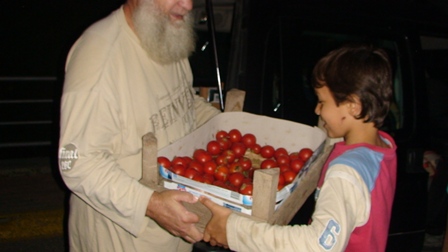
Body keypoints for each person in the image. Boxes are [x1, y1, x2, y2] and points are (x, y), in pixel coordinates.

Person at [200, 44, 397, 252]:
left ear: (353, 106)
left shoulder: (346, 173)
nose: (317, 109)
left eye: (322, 102)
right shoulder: (383, 147)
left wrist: (234, 231)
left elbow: (317, 245)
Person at [58, 0, 220, 251]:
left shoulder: (164, 34)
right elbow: (78, 162)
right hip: (120, 240)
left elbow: (185, 103)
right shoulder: (100, 55)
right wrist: (152, 204)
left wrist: (228, 126)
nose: (187, 5)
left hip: (171, 235)